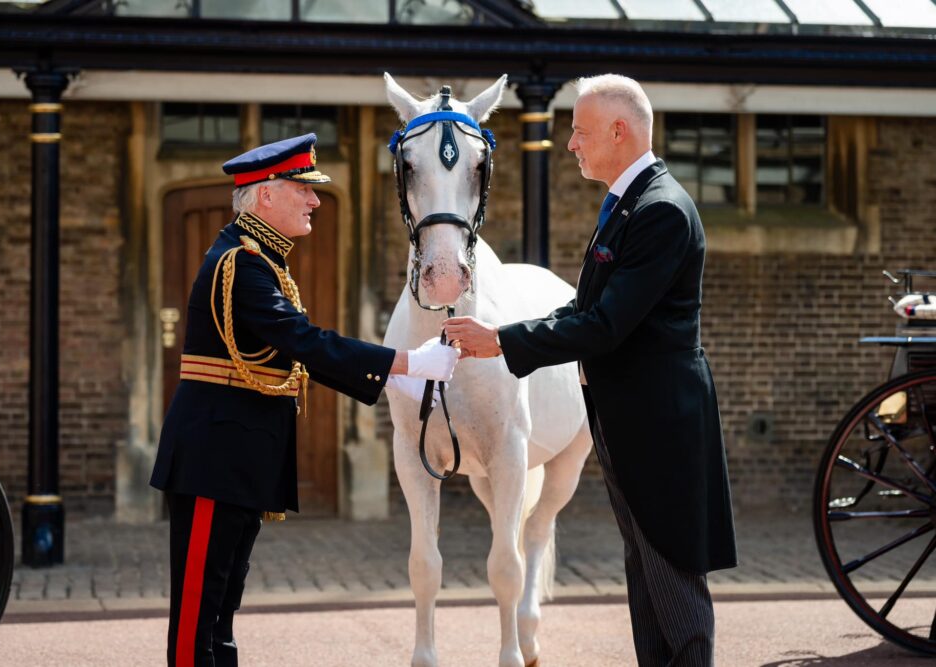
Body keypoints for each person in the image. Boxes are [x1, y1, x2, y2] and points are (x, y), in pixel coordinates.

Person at [444, 75, 736, 666]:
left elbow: (605, 325)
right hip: (628, 419)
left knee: (673, 577)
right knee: (645, 573)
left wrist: (500, 342)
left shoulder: (660, 212)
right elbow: (584, 309)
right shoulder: (630, 203)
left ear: (618, 132)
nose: (571, 144)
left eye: (579, 131)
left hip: (659, 422)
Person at [150, 133, 458, 667]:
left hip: (236, 458)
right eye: (303, 189)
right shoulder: (242, 264)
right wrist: (406, 363)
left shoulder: (262, 260)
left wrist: (394, 379)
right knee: (198, 616)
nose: (315, 199)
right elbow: (305, 343)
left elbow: (300, 354)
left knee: (220, 610)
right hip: (212, 459)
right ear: (266, 195)